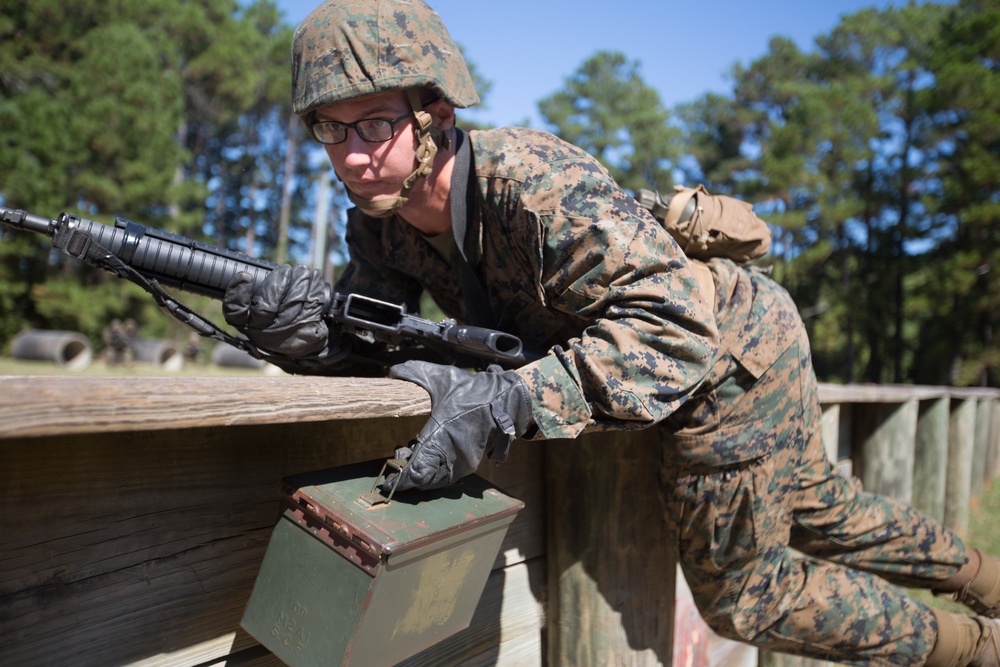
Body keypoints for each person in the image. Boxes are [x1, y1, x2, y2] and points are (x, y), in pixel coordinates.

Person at [221, 1, 1000, 664]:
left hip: (725, 357)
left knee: (745, 597)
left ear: (437, 115)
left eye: (377, 123)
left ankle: (975, 646)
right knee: (818, 506)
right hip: (709, 341)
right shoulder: (381, 227)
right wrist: (306, 338)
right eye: (331, 127)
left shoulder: (531, 186)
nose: (353, 155)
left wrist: (511, 401)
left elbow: (674, 328)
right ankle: (990, 583)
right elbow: (385, 344)